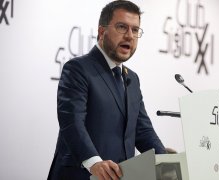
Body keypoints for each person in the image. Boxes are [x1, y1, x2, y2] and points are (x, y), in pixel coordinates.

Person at [47, 1, 166, 179]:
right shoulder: (78, 69)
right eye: (122, 27)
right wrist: (94, 162)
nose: (130, 36)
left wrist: (164, 159)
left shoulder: (131, 78)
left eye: (135, 30)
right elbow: (71, 122)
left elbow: (142, 130)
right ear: (102, 32)